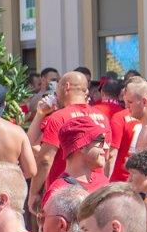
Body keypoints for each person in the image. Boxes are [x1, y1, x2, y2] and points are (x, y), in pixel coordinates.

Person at [28, 71, 111, 216]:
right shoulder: (102, 117)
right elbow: (106, 156)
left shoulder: (59, 117)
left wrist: (34, 193)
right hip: (97, 191)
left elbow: (45, 160)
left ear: (66, 87)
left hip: (64, 195)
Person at [45, 118, 111, 206]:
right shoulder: (58, 192)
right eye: (101, 141)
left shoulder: (103, 181)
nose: (106, 147)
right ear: (82, 146)